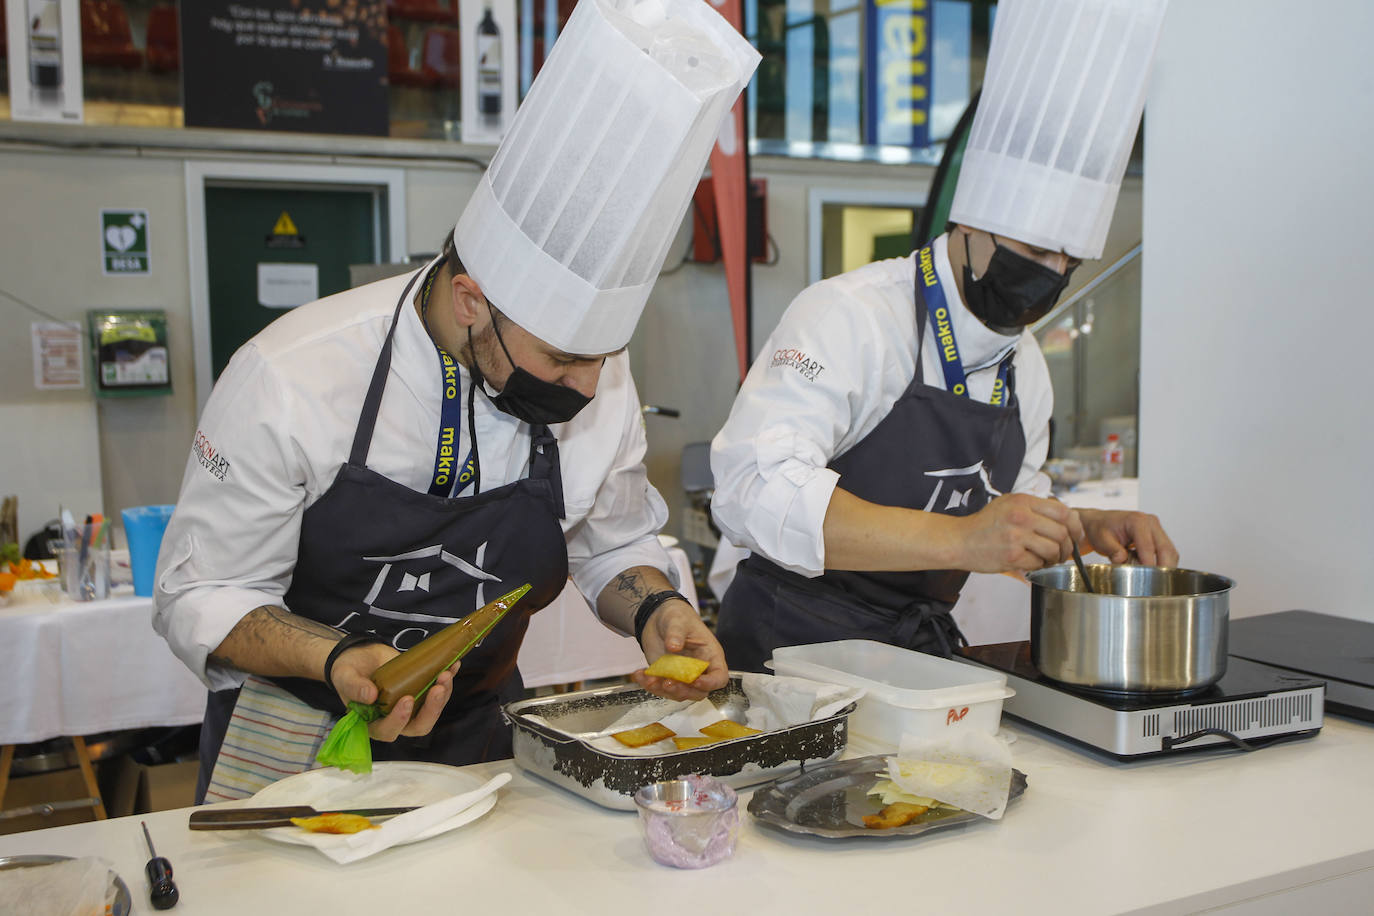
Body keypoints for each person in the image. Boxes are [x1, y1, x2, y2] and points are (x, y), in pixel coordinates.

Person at [153, 0, 759, 801]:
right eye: (564, 357)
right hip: (293, 740)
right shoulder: (291, 375)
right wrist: (336, 660)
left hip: (480, 741)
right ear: (471, 299)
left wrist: (657, 613)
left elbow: (611, 546)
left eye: (602, 360)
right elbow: (202, 593)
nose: (586, 387)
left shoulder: (596, 377)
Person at [708, 0, 1176, 672]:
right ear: (971, 220)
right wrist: (963, 541)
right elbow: (753, 491)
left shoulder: (1027, 366)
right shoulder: (854, 318)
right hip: (790, 652)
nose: (1050, 277)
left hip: (914, 657)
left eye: (1069, 263)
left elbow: (1020, 497)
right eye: (1036, 250)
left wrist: (1086, 531)